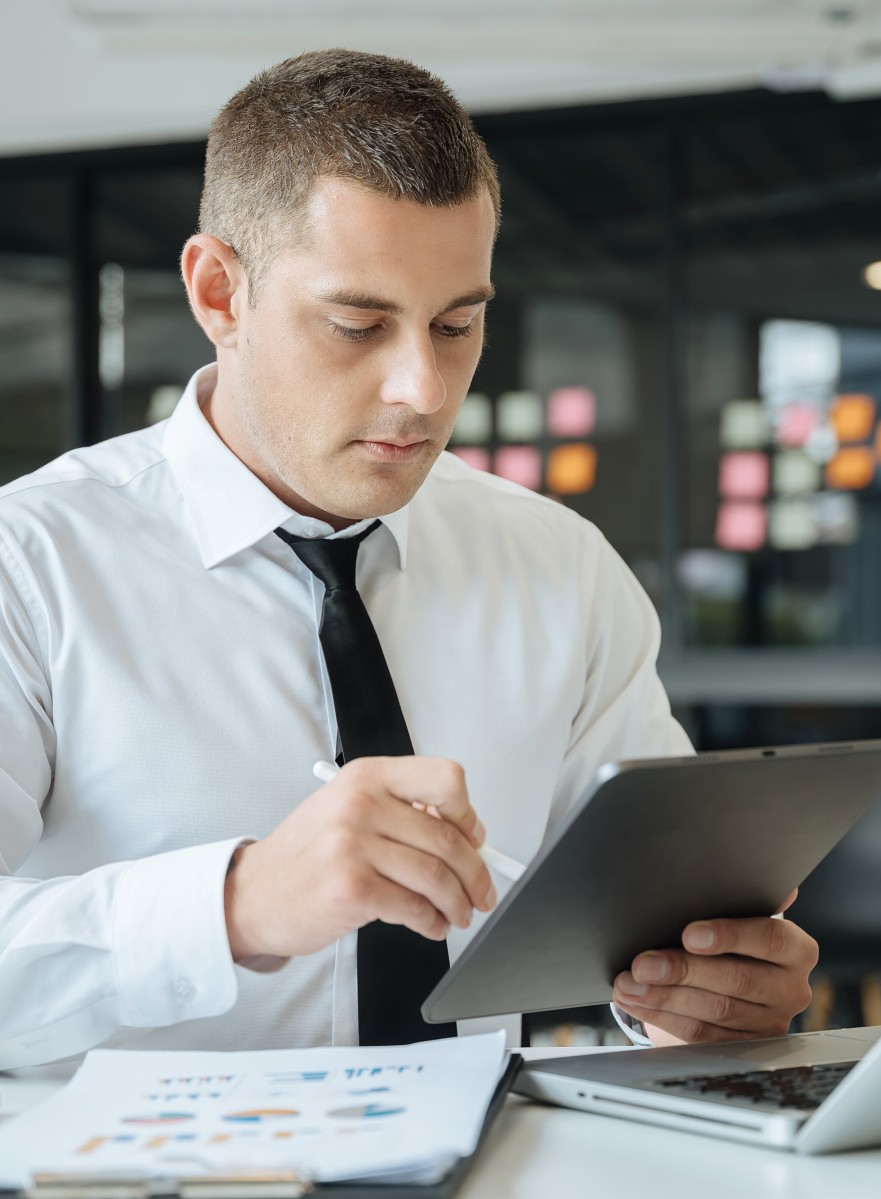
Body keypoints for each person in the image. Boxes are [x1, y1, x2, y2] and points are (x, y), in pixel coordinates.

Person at [0, 49, 817, 1071]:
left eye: (457, 323)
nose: (424, 389)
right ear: (219, 293)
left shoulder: (558, 565)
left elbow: (651, 919)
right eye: (358, 323)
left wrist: (697, 995)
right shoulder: (27, 567)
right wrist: (236, 903)